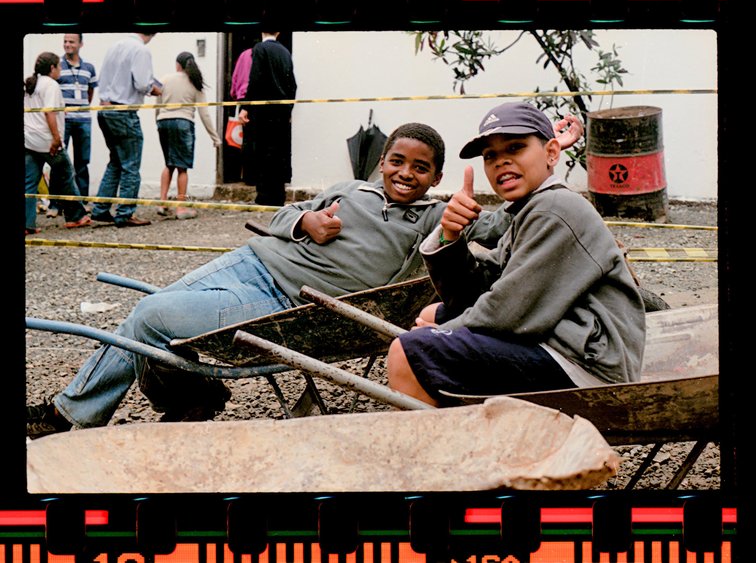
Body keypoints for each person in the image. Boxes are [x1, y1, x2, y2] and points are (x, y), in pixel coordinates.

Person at [26, 115, 584, 438]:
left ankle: (65, 414)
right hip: (249, 262)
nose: (405, 174)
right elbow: (280, 215)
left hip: (286, 303)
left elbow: (505, 222)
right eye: (397, 161)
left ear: (435, 177)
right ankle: (194, 395)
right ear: (381, 162)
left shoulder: (434, 216)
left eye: (420, 168)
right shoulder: (349, 190)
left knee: (150, 317)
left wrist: (550, 158)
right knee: (149, 321)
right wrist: (304, 222)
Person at [386, 102, 646, 407]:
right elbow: (474, 293)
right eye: (490, 156)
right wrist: (449, 236)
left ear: (552, 153)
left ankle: (451, 435)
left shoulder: (555, 209)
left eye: (515, 147)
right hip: (562, 339)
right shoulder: (529, 209)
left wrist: (440, 334)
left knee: (407, 351)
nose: (501, 162)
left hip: (587, 364)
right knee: (432, 317)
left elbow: (507, 311)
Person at [90, 33, 161, 228]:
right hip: (123, 112)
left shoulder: (115, 46)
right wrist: (157, 90)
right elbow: (143, 83)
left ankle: (101, 209)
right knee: (131, 164)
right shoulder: (141, 50)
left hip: (105, 109)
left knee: (116, 161)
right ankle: (125, 213)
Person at [24, 52, 91, 235]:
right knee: (66, 176)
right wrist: (56, 139)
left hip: (30, 141)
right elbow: (49, 112)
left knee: (29, 183)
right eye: (59, 66)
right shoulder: (51, 85)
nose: (61, 69)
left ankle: (27, 224)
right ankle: (76, 216)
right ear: (52, 68)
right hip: (47, 141)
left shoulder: (31, 84)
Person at [155, 51, 222, 220]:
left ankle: (162, 203)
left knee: (168, 164)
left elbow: (157, 105)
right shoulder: (195, 83)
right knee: (182, 167)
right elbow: (204, 113)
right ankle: (181, 207)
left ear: (177, 64)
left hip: (163, 122)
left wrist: (158, 121)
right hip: (183, 122)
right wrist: (214, 137)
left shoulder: (165, 79)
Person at [237, 31, 297, 206]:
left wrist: (245, 107)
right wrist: (289, 109)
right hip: (281, 112)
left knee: (262, 154)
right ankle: (278, 196)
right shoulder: (285, 52)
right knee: (279, 155)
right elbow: (292, 85)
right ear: (278, 32)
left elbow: (255, 79)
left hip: (263, 111)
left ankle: (264, 197)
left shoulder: (260, 49)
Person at [47, 34, 98, 218]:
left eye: (71, 42)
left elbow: (90, 93)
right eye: (65, 41)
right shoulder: (58, 66)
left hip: (83, 120)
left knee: (82, 162)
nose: (67, 45)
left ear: (80, 44)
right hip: (64, 121)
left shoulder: (89, 68)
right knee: (58, 161)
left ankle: (82, 201)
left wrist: (82, 108)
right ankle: (54, 204)